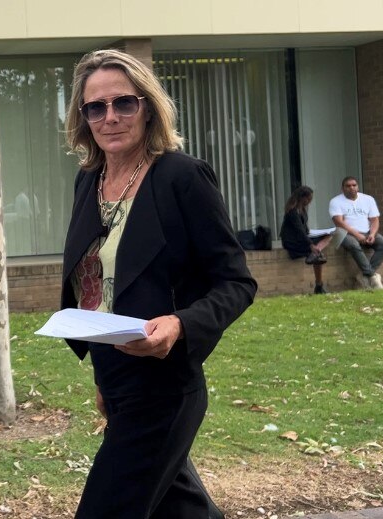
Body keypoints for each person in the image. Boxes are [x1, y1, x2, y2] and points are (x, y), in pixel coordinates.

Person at [61, 49, 257, 518]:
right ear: (83, 117)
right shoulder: (88, 180)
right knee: (182, 510)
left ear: (148, 107)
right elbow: (101, 286)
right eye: (96, 107)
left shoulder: (182, 177)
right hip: (117, 376)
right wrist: (104, 375)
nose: (110, 117)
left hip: (166, 383)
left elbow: (236, 282)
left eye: (123, 103)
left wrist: (181, 324)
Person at [328, 176, 383, 289]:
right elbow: (339, 222)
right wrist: (357, 235)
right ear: (342, 189)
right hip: (344, 233)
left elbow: (375, 220)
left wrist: (372, 234)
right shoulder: (335, 201)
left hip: (366, 232)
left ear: (358, 187)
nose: (351, 188)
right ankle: (372, 276)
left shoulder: (368, 199)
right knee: (353, 244)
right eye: (348, 186)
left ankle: (365, 275)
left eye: (354, 185)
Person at [280, 186, 332, 294]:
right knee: (317, 254)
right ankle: (319, 285)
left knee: (329, 235)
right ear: (301, 197)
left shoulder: (302, 210)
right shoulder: (293, 211)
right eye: (308, 199)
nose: (309, 201)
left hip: (301, 239)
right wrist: (310, 245)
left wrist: (313, 234)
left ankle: (316, 253)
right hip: (292, 242)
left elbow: (304, 229)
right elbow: (299, 230)